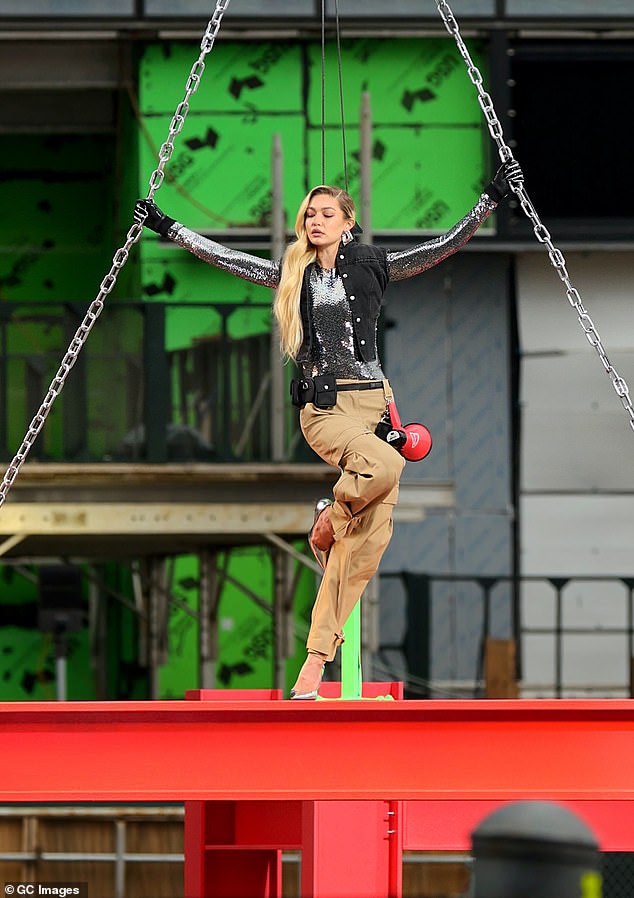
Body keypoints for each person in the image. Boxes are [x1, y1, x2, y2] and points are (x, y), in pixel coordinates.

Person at [135, 158, 523, 700]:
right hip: (327, 411)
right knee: (384, 465)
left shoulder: (373, 265)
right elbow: (229, 259)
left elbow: (440, 248)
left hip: (378, 407)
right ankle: (331, 516)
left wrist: (489, 200)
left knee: (365, 550)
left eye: (326, 214)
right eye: (308, 214)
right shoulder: (295, 274)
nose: (315, 221)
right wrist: (168, 226)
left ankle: (313, 667)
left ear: (348, 222)